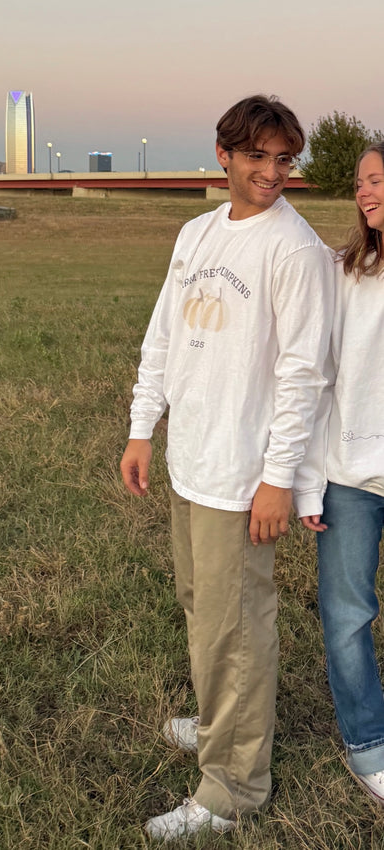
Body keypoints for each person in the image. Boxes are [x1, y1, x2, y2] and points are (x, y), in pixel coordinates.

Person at [120, 94, 334, 841]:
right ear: (225, 155)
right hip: (192, 460)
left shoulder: (295, 251)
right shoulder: (197, 233)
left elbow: (304, 376)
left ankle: (234, 786)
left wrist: (277, 478)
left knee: (235, 628)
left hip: (244, 475)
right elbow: (163, 339)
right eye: (257, 156)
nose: (272, 172)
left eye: (283, 159)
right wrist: (142, 429)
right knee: (201, 605)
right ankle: (219, 722)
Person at [296, 141, 384, 806]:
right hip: (350, 473)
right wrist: (305, 477)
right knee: (347, 615)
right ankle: (367, 747)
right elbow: (312, 375)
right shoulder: (343, 271)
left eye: (376, 179)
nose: (363, 192)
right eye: (358, 182)